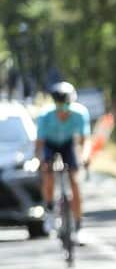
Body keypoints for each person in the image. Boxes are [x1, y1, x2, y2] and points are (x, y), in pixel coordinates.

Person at [35, 81, 91, 237]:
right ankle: (50, 211)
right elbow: (39, 143)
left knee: (75, 182)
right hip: (50, 144)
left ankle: (79, 226)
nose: (63, 110)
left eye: (66, 105)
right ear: (55, 104)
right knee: (48, 175)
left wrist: (85, 156)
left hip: (67, 144)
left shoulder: (80, 113)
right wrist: (40, 161)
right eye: (59, 106)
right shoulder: (45, 116)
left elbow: (85, 140)